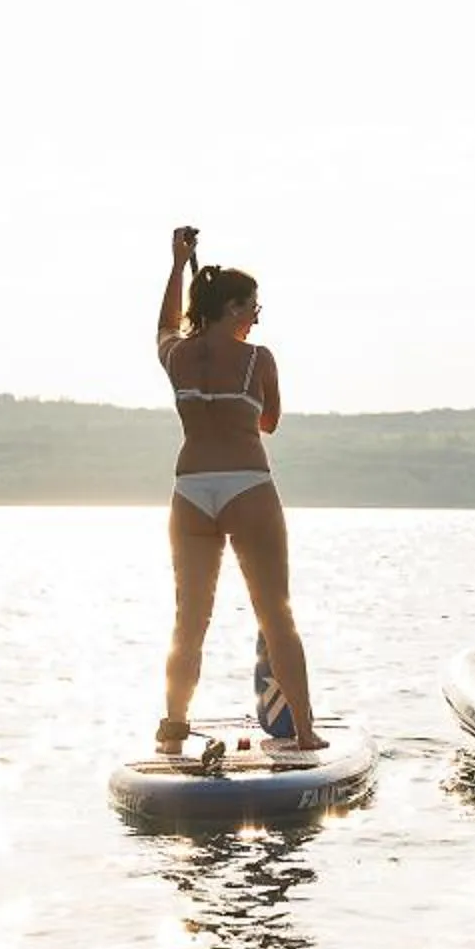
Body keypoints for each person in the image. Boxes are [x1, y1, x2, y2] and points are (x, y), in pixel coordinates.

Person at [155, 226, 326, 753]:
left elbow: (165, 325)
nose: (256, 317)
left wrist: (178, 264)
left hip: (190, 490)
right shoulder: (259, 359)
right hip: (247, 486)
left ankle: (174, 727)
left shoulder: (177, 356)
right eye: (252, 307)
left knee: (190, 619)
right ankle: (304, 732)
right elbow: (269, 421)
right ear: (231, 308)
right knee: (276, 612)